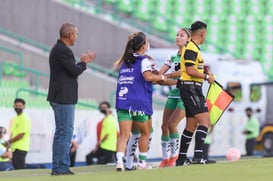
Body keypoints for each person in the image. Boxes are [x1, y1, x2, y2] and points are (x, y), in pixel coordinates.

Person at [47, 22, 96, 176]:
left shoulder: (58, 49)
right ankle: (61, 167)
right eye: (76, 34)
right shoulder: (63, 51)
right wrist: (84, 62)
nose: (76, 37)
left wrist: (81, 62)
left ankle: (58, 166)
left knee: (61, 133)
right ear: (70, 35)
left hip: (59, 96)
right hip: (63, 97)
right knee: (65, 132)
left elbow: (69, 70)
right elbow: (74, 71)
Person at [114, 31, 167, 171]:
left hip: (123, 102)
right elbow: (149, 77)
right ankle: (142, 163)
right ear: (143, 45)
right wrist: (162, 78)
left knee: (124, 135)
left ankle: (120, 162)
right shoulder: (144, 60)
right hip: (139, 102)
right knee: (145, 132)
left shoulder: (125, 61)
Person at [175, 21, 215, 166]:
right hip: (191, 88)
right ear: (202, 33)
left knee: (191, 125)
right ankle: (199, 157)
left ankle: (181, 159)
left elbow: (191, 68)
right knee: (205, 121)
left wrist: (204, 72)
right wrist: (206, 77)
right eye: (206, 34)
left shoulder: (192, 48)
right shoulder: (191, 48)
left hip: (190, 87)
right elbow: (190, 71)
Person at [158, 28, 191, 167]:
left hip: (185, 95)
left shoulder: (190, 55)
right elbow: (161, 74)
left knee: (172, 125)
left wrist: (168, 77)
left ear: (188, 39)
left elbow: (183, 73)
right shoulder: (172, 55)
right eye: (177, 35)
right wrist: (157, 76)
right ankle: (165, 159)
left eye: (181, 35)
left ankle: (175, 157)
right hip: (173, 94)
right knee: (164, 126)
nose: (178, 37)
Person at [3, 98, 31, 170]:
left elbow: (21, 134)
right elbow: (12, 133)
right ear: (13, 106)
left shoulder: (24, 118)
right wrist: (8, 146)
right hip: (14, 148)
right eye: (16, 106)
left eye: (20, 106)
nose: (18, 107)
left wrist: (9, 142)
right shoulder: (14, 118)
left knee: (20, 169)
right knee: (16, 168)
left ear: (24, 107)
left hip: (21, 148)